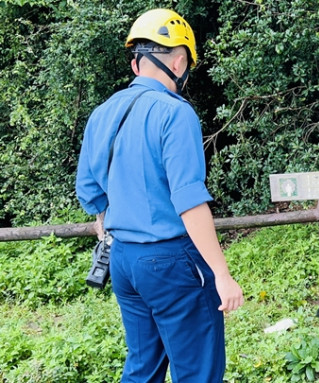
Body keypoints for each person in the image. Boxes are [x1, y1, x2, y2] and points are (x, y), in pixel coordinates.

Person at [76, 8, 243, 382]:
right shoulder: (175, 114)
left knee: (142, 367)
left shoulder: (102, 113)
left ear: (137, 64)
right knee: (197, 371)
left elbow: (89, 190)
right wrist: (222, 274)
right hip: (171, 262)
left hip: (123, 261)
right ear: (180, 61)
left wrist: (109, 226)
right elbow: (188, 200)